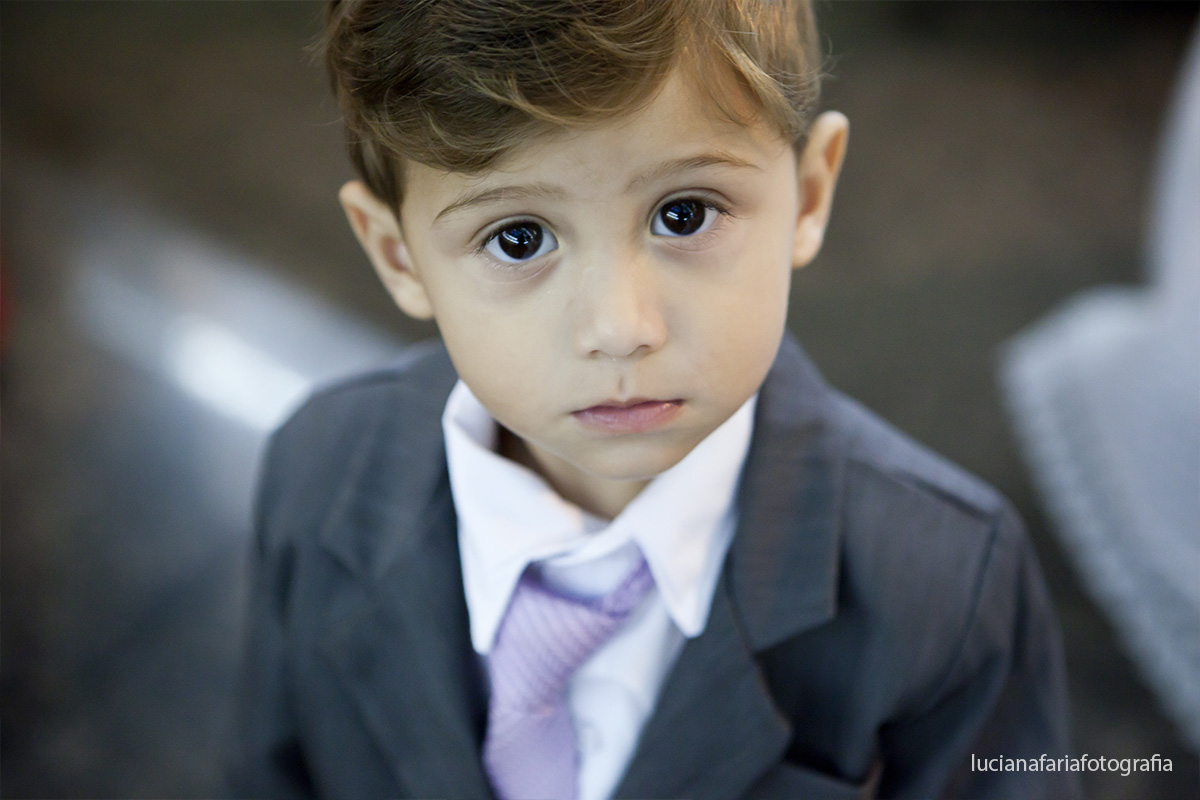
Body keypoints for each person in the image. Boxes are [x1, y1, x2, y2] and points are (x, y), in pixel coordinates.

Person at [232, 1, 1075, 798]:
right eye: (517, 238)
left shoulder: (949, 582)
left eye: (684, 214)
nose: (620, 327)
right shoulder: (318, 468)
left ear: (809, 195)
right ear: (399, 255)